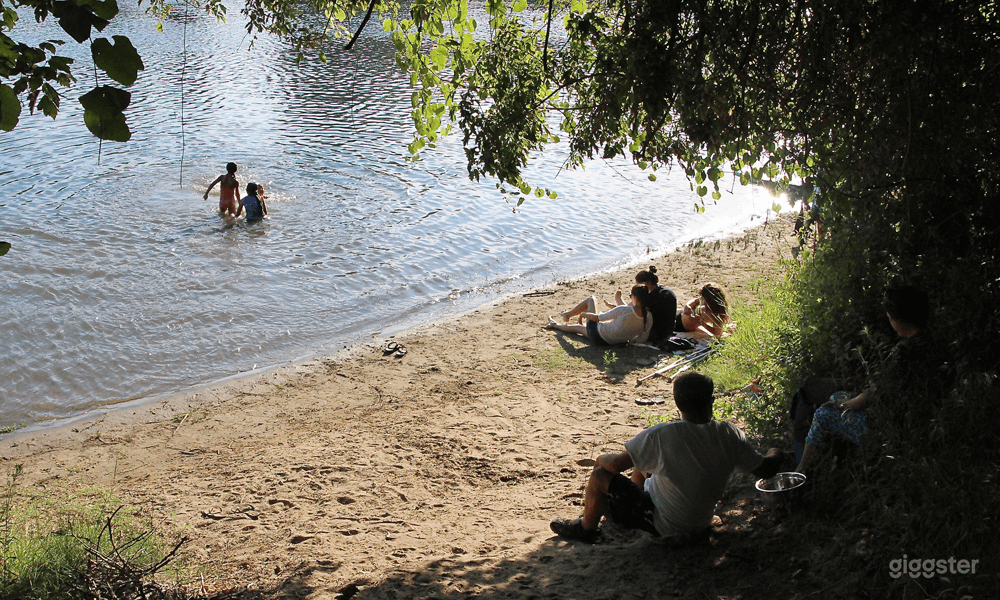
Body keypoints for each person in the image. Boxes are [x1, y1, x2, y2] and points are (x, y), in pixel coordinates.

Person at [549, 372, 783, 543]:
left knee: (600, 475)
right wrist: (776, 452)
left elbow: (613, 465)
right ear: (711, 402)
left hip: (665, 523)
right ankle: (623, 506)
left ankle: (586, 529)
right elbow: (766, 470)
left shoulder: (663, 435)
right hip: (700, 520)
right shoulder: (729, 434)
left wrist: (599, 459)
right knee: (644, 462)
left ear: (678, 405)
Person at [795, 286, 934, 473]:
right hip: (918, 421)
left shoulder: (905, 354)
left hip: (894, 430)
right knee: (837, 395)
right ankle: (830, 462)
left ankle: (801, 471)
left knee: (823, 413)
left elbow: (874, 395)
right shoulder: (930, 341)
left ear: (897, 319)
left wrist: (844, 405)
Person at [546, 285, 654, 345]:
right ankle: (555, 324)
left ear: (635, 297)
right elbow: (642, 338)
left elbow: (598, 318)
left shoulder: (624, 310)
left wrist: (583, 314)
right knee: (577, 328)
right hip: (612, 342)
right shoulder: (649, 316)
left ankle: (567, 316)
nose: (630, 297)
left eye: (630, 295)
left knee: (591, 299)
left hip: (597, 334)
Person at [606, 266, 677, 345]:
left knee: (632, 316)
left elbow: (633, 313)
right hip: (669, 330)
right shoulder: (667, 291)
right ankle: (619, 304)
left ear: (647, 283)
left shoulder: (651, 298)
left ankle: (619, 304)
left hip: (657, 334)